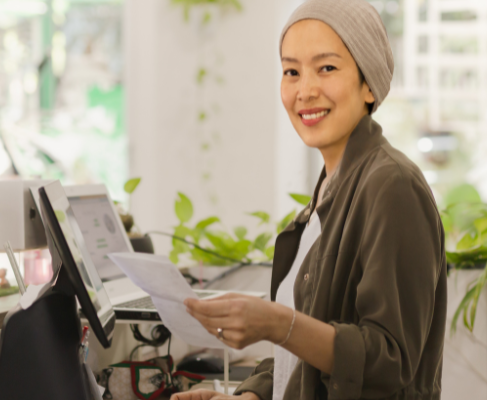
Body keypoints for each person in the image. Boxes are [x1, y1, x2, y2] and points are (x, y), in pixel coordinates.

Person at [170, 0, 447, 399]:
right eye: (291, 72)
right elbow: (303, 360)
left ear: (369, 84)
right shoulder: (325, 196)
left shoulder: (393, 187)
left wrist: (278, 324)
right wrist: (250, 395)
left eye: (327, 68)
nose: (306, 90)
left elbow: (391, 361)